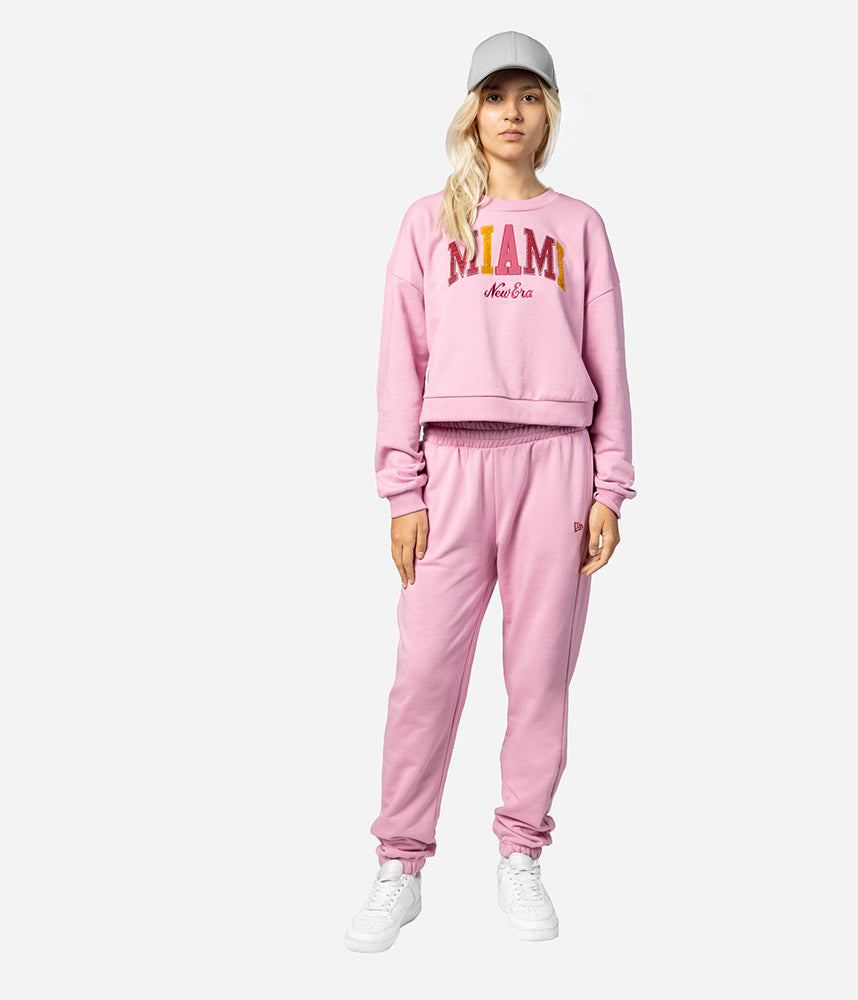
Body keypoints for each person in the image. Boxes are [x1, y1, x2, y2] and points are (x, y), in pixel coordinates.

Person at [345, 30, 638, 952]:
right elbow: (401, 360)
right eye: (497, 95)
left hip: (557, 463)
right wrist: (403, 491)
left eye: (530, 96)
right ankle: (400, 865)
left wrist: (610, 485)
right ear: (472, 112)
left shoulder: (579, 226)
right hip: (451, 468)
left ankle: (521, 852)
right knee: (424, 677)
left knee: (539, 675)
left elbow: (609, 363)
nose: (513, 112)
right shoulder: (428, 221)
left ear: (550, 113)